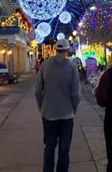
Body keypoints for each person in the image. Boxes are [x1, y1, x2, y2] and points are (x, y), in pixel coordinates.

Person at [35, 39, 81, 172]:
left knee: (49, 147)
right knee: (64, 149)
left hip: (48, 114)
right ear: (67, 50)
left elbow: (38, 91)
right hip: (67, 115)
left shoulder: (45, 65)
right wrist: (73, 108)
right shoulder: (72, 67)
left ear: (55, 49)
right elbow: (77, 93)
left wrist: (42, 107)